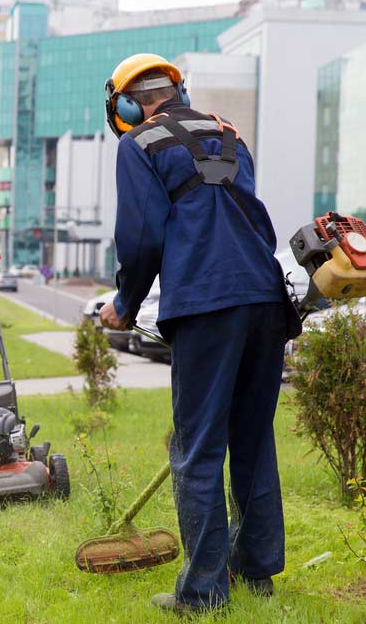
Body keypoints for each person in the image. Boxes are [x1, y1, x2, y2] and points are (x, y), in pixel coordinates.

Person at [97, 53, 298, 614]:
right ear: (179, 90)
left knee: (199, 447)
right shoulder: (231, 136)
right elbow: (246, 214)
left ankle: (203, 593)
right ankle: (254, 572)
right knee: (253, 440)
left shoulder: (137, 145)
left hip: (208, 304)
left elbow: (140, 239)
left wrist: (124, 302)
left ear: (129, 104)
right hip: (264, 297)